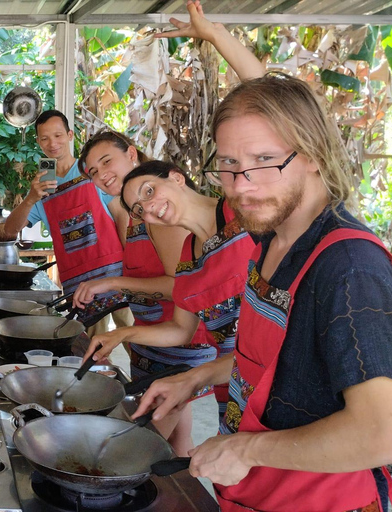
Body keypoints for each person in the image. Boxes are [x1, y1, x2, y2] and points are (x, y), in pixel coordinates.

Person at [134, 73, 392, 511]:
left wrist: (246, 450)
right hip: (258, 494)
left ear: (314, 153)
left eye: (264, 159)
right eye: (228, 165)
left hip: (324, 501)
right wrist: (195, 377)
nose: (242, 184)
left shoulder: (348, 267)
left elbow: (388, 432)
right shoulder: (271, 241)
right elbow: (273, 366)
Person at [83, 0, 265, 418]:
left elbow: (272, 108)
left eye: (148, 191)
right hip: (234, 392)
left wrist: (217, 36)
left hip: (290, 388)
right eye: (138, 208)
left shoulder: (243, 209)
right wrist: (120, 334)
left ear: (175, 177)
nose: (147, 208)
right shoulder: (189, 258)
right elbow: (180, 328)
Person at [72, 132, 211, 455]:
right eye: (93, 171)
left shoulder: (161, 212)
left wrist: (113, 283)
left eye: (106, 161)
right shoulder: (134, 212)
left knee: (139, 451)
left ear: (131, 154)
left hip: (180, 342)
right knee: (175, 444)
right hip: (154, 337)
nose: (101, 174)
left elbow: (181, 287)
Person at [4, 110, 133, 334]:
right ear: (38, 142)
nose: (52, 143)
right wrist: (30, 199)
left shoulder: (90, 170)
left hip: (117, 272)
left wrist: (131, 261)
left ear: (70, 135)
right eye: (45, 138)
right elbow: (10, 230)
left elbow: (121, 214)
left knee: (135, 335)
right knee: (93, 348)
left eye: (58, 135)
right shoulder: (42, 186)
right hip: (80, 285)